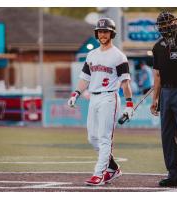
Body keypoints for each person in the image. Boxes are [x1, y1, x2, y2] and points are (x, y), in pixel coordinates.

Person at [68, 18, 133, 186]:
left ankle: (99, 173)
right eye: (100, 32)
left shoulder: (119, 56)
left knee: (104, 138)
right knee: (92, 138)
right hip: (94, 97)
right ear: (97, 34)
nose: (103, 34)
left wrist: (129, 104)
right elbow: (85, 78)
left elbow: (125, 82)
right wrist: (76, 93)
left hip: (110, 97)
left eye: (106, 31)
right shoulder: (92, 54)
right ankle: (113, 168)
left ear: (112, 33)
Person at [150, 11, 177, 187]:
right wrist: (155, 99)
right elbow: (158, 75)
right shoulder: (157, 47)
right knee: (167, 134)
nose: (166, 26)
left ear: (175, 23)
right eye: (162, 24)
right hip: (166, 93)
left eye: (168, 23)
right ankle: (174, 173)